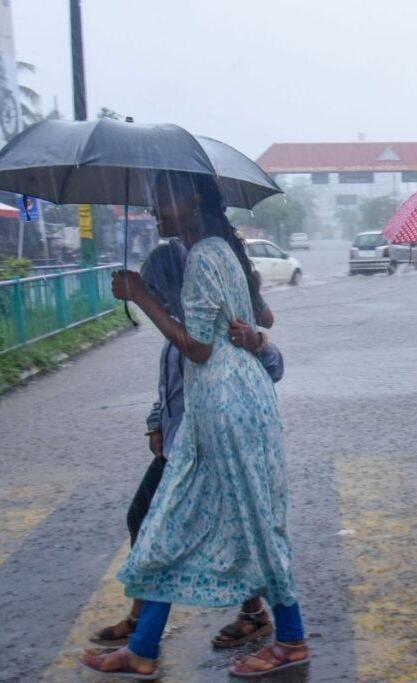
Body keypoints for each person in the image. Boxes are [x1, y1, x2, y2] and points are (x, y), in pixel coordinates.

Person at [80, 171, 308, 679]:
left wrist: (142, 296)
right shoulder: (218, 251)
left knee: (254, 523)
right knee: (170, 521)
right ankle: (142, 647)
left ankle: (290, 639)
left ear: (192, 199)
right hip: (219, 405)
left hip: (226, 405)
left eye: (162, 197)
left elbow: (200, 348)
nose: (154, 207)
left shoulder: (205, 255)